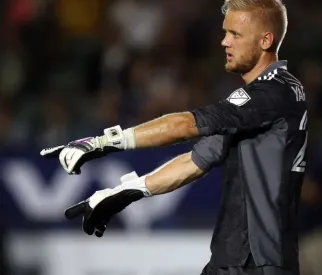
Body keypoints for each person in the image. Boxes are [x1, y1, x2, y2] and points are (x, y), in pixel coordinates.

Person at [40, 0, 307, 274]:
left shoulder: (273, 92)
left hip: (256, 261)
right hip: (235, 258)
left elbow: (184, 126)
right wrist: (126, 192)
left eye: (235, 34)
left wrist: (101, 143)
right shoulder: (261, 103)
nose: (224, 42)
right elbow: (195, 161)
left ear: (265, 40)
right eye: (225, 33)